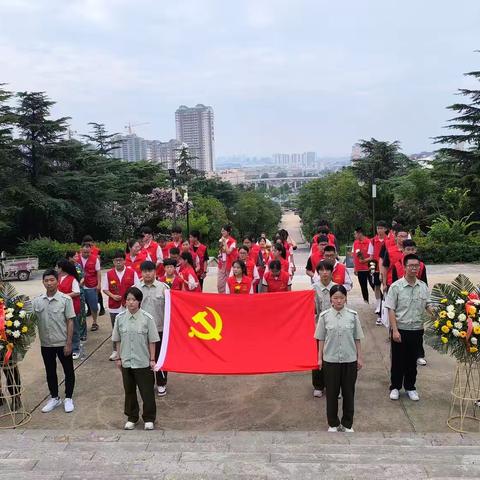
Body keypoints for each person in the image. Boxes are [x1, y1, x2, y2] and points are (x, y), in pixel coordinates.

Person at [314, 285, 364, 432]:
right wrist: (320, 358)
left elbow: (357, 338)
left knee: (349, 392)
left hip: (349, 360)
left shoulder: (353, 316)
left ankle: (347, 423)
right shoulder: (324, 317)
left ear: (346, 299)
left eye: (341, 297)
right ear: (330, 299)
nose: (338, 301)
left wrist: (359, 357)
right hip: (330, 360)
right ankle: (333, 423)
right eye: (335, 298)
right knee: (332, 393)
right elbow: (321, 339)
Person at [384, 254, 432, 402]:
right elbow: (391, 309)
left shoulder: (423, 287)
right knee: (398, 361)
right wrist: (395, 330)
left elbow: (428, 305)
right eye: (410, 265)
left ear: (419, 267)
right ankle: (395, 387)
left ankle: (410, 387)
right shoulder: (396, 287)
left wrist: (439, 315)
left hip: (417, 329)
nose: (414, 268)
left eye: (416, 266)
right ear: (404, 267)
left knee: (412, 361)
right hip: (401, 329)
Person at [112, 287, 159, 430]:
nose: (130, 302)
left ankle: (149, 418)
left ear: (139, 301)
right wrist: (118, 358)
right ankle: (132, 417)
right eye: (128, 300)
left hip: (143, 362)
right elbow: (118, 340)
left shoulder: (147, 318)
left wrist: (152, 359)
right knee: (129, 391)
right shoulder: (120, 319)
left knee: (147, 391)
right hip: (126, 361)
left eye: (133, 300)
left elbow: (152, 341)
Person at [33, 269, 76, 413]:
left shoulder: (65, 299)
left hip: (62, 342)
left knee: (68, 370)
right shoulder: (37, 301)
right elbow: (32, 320)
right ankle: (55, 398)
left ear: (57, 281)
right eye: (46, 280)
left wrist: (69, 343)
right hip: (46, 344)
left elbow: (70, 321)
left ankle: (68, 397)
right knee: (50, 371)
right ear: (43, 282)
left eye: (52, 280)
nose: (49, 283)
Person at [391, 239, 429, 366]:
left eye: (413, 249)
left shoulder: (421, 265)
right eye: (408, 249)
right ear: (403, 250)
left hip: (418, 297)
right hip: (402, 299)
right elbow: (395, 283)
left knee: (418, 333)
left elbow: (424, 282)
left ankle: (419, 355)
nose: (410, 251)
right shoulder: (397, 265)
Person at [136, 261, 169, 396]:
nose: (147, 274)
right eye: (144, 271)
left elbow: (170, 309)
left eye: (150, 271)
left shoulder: (164, 288)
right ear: (141, 272)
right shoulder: (136, 288)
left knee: (160, 357)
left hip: (160, 329)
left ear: (155, 272)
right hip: (142, 330)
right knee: (144, 358)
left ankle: (161, 383)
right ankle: (148, 383)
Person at [102, 250, 139, 361]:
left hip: (129, 305)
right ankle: (115, 351)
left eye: (120, 260)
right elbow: (105, 289)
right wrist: (113, 296)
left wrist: (129, 299)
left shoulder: (132, 272)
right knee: (116, 328)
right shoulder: (109, 274)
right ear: (113, 262)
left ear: (124, 261)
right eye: (116, 260)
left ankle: (131, 349)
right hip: (114, 306)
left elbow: (136, 288)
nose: (118, 262)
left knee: (131, 327)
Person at [311, 260, 336, 398]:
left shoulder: (337, 287)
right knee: (318, 357)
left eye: (327, 270)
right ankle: (318, 385)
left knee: (333, 358)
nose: (324, 273)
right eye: (322, 270)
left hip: (334, 328)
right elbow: (310, 310)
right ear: (318, 272)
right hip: (318, 328)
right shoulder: (313, 288)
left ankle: (333, 386)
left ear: (332, 272)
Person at [56, 259, 82, 360]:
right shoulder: (57, 278)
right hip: (60, 308)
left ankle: (76, 348)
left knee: (74, 329)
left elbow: (77, 292)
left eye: (57, 267)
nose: (56, 269)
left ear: (62, 268)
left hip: (72, 307)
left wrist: (63, 296)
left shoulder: (72, 279)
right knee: (63, 329)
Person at [366, 220, 388, 324]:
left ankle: (386, 311)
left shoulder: (390, 240)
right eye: (378, 228)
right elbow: (370, 256)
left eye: (381, 228)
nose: (379, 230)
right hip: (376, 268)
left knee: (387, 288)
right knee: (377, 287)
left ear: (385, 229)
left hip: (386, 268)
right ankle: (379, 307)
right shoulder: (373, 241)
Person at [78, 242, 101, 332]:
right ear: (81, 251)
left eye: (88, 252)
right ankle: (81, 324)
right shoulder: (77, 259)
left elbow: (98, 272)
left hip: (92, 286)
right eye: (85, 252)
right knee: (80, 307)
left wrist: (99, 284)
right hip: (79, 287)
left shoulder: (95, 259)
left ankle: (95, 322)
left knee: (94, 306)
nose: (87, 254)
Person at [380, 224, 409, 292]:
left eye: (405, 236)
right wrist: (384, 284)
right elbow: (385, 268)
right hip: (392, 283)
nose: (403, 239)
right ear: (395, 237)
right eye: (401, 236)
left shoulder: (411, 251)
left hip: (408, 282)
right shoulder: (389, 251)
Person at [66, 251, 87, 342]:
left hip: (80, 293)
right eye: (75, 256)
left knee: (81, 314)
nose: (77, 258)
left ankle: (82, 334)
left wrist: (79, 283)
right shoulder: (65, 267)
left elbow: (83, 276)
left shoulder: (78, 265)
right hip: (68, 294)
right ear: (69, 258)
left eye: (77, 256)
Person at [82, 235, 105, 316]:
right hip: (85, 276)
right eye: (87, 243)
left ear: (92, 243)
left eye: (90, 244)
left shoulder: (97, 250)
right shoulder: (82, 250)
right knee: (86, 295)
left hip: (94, 273)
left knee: (98, 293)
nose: (89, 245)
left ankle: (102, 307)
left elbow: (98, 260)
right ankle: (89, 309)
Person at [352, 227, 372, 304]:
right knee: (363, 286)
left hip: (369, 268)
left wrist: (365, 260)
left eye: (355, 234)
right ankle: (366, 301)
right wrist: (355, 268)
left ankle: (380, 300)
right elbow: (354, 256)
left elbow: (372, 256)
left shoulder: (369, 242)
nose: (354, 235)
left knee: (373, 284)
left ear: (360, 233)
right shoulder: (355, 243)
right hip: (360, 269)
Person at [217, 225, 237, 293]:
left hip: (229, 263)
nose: (222, 232)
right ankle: (222, 297)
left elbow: (228, 252)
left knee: (229, 282)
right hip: (222, 263)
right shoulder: (221, 240)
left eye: (224, 231)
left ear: (228, 232)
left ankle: (228, 298)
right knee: (220, 284)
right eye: (221, 231)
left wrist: (224, 242)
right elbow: (221, 251)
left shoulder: (233, 241)